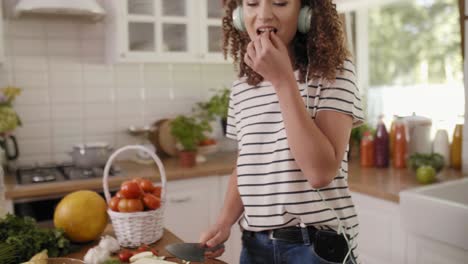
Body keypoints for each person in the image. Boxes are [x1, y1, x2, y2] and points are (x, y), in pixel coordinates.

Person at [200, 0, 364, 263]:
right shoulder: (243, 87)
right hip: (255, 246)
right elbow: (248, 164)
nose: (263, 15)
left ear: (305, 12)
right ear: (240, 14)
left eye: (280, 2)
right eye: (252, 3)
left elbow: (320, 173)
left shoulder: (335, 73)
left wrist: (282, 81)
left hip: (315, 248)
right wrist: (224, 221)